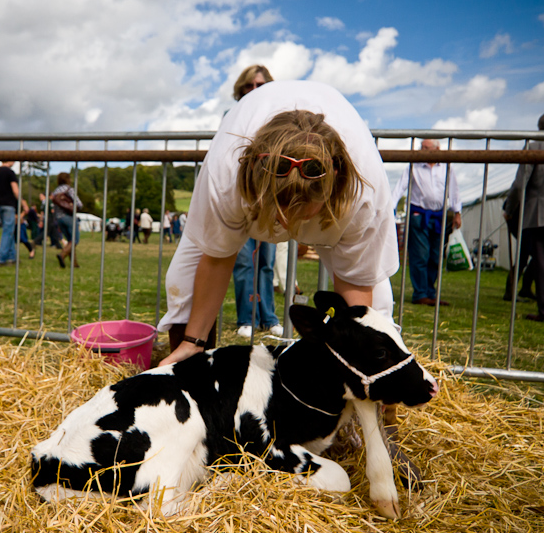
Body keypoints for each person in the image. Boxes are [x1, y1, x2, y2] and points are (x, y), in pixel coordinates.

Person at [157, 80, 398, 366]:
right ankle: (189, 371)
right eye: (280, 207)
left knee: (379, 305)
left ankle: (378, 391)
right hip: (245, 190)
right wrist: (192, 341)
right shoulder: (224, 178)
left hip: (339, 205)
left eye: (302, 213)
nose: (287, 223)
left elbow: (356, 283)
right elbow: (217, 258)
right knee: (182, 282)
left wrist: (362, 357)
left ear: (335, 179)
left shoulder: (363, 195)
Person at [230, 65, 283, 338]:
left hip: (270, 199)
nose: (254, 90)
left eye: (259, 85)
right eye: (248, 86)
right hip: (240, 198)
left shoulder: (278, 119)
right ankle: (245, 319)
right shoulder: (231, 117)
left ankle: (269, 318)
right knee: (243, 262)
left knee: (265, 262)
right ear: (240, 91)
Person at [503, 111, 544, 324]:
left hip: (541, 215)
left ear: (539, 127)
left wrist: (509, 208)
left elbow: (520, 184)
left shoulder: (533, 146)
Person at [391, 140, 462, 306]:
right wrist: (390, 207)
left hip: (440, 216)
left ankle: (430, 292)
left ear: (437, 150)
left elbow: (454, 191)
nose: (422, 151)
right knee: (420, 255)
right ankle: (421, 294)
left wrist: (457, 212)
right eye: (421, 148)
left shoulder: (446, 168)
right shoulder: (413, 166)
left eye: (426, 148)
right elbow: (400, 187)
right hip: (418, 214)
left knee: (435, 256)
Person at [51, 172, 83, 269]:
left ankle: (74, 263)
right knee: (75, 240)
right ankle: (62, 255)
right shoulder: (69, 190)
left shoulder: (55, 192)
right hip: (69, 217)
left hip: (59, 218)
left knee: (70, 241)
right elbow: (79, 204)